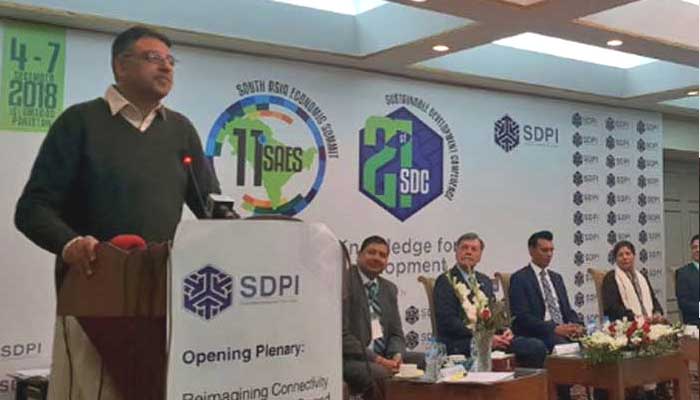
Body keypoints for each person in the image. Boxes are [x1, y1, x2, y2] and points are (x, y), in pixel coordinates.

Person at [15, 26, 221, 399]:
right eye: (153, 58)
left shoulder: (180, 130)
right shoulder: (79, 122)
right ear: (120, 66)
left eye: (170, 61)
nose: (166, 67)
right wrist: (71, 244)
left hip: (162, 298)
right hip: (92, 295)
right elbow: (32, 209)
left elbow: (213, 209)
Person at [433, 232, 547, 368]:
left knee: (535, 347)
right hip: (461, 341)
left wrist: (504, 330)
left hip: (490, 339)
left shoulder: (485, 281)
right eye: (464, 248)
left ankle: (520, 382)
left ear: (480, 256)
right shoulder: (446, 281)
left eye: (474, 249)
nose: (468, 252)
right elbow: (448, 322)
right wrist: (484, 339)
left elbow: (493, 314)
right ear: (456, 251)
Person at [509, 230, 586, 400]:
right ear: (531, 250)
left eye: (551, 250)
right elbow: (521, 318)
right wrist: (554, 328)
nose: (549, 254)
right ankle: (564, 396)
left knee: (597, 345)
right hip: (539, 334)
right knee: (562, 347)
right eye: (544, 250)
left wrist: (577, 325)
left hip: (563, 332)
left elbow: (567, 310)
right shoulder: (520, 278)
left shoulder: (556, 278)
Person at [343, 235, 421, 397]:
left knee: (424, 361)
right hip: (353, 359)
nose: (377, 258)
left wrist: (397, 356)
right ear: (359, 255)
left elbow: (396, 334)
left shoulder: (388, 288)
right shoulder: (344, 282)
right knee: (380, 373)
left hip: (385, 356)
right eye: (371, 252)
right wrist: (379, 360)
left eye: (382, 255)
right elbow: (342, 336)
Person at [602, 241, 664, 323]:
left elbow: (653, 299)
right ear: (615, 259)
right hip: (627, 324)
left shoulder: (642, 276)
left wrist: (657, 312)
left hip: (650, 321)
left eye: (628, 254)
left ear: (634, 256)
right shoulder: (611, 278)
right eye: (620, 255)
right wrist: (635, 317)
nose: (625, 257)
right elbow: (612, 307)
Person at [675, 234, 699, 327]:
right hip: (695, 324)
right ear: (691, 250)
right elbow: (683, 303)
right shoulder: (683, 273)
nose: (697, 250)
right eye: (694, 247)